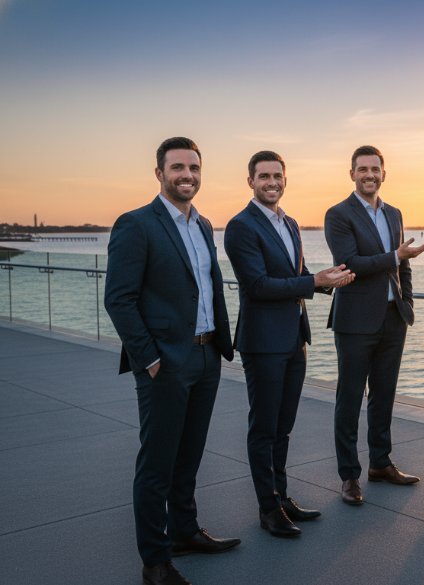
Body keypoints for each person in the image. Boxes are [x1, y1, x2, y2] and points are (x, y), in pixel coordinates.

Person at [105, 137, 239, 585]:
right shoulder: (136, 224)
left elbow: (207, 288)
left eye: (194, 167)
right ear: (159, 173)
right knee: (157, 464)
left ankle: (184, 531)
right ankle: (155, 561)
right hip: (165, 362)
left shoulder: (203, 225)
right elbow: (119, 299)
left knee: (190, 455)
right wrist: (149, 359)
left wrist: (219, 347)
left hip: (206, 355)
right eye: (178, 167)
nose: (187, 175)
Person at [224, 151, 354, 537]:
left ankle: (281, 496)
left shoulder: (291, 223)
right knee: (264, 428)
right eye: (264, 176)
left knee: (283, 428)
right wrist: (314, 282)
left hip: (295, 337)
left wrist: (327, 280)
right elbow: (258, 285)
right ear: (251, 181)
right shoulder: (240, 227)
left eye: (277, 176)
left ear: (285, 179)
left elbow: (297, 273)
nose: (272, 182)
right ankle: (268, 508)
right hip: (263, 342)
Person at [324, 145, 424, 505]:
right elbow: (349, 262)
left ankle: (381, 464)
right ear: (352, 174)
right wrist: (395, 256)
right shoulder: (338, 214)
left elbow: (403, 267)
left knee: (384, 395)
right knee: (350, 398)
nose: (369, 175)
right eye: (363, 169)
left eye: (375, 169)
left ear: (384, 173)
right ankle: (349, 476)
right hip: (355, 321)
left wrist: (407, 303)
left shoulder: (394, 213)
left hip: (392, 318)